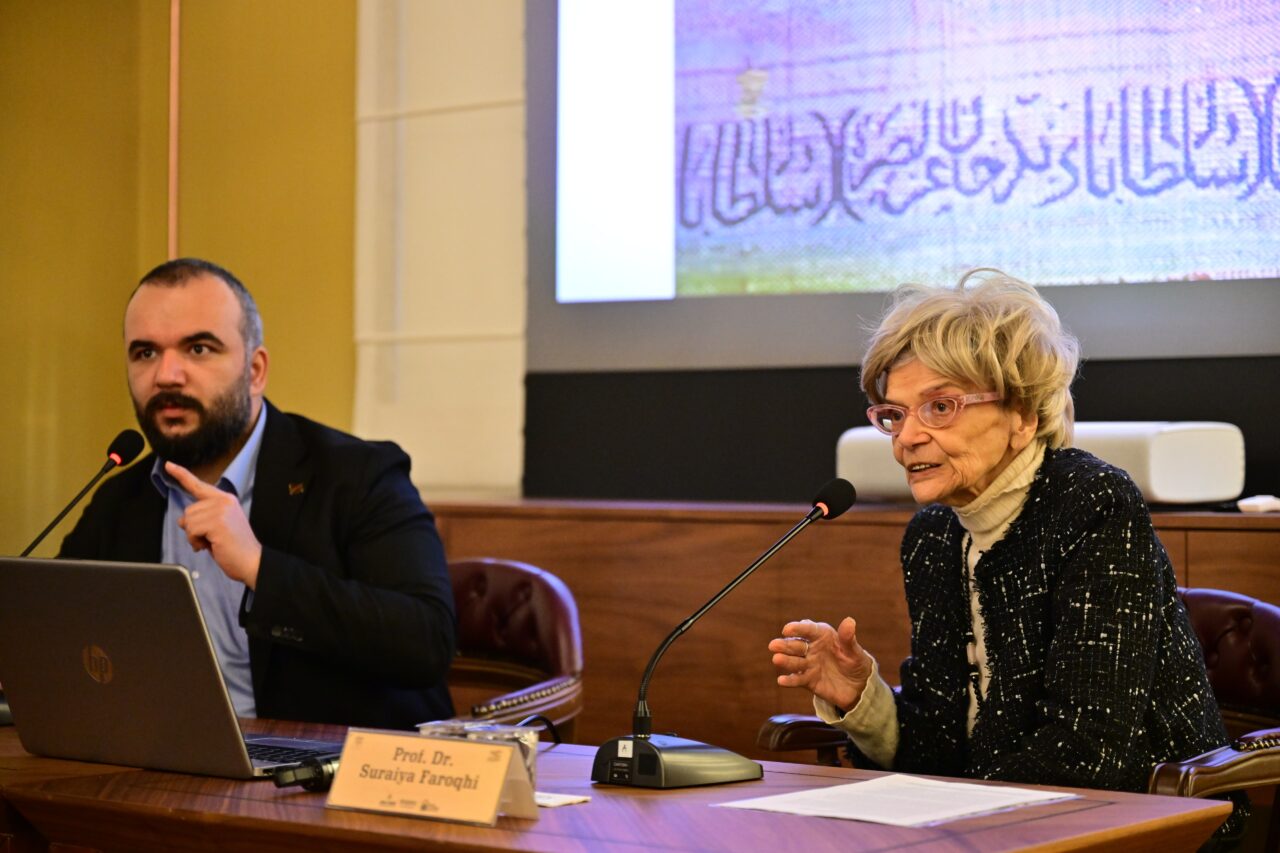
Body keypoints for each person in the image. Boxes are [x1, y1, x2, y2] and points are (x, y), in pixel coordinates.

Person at [768, 268, 1246, 840]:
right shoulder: (933, 537)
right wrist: (861, 697)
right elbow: (936, 747)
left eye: (939, 407)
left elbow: (1087, 750)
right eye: (894, 414)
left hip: (1151, 827)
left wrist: (946, 816)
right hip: (995, 827)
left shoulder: (1092, 505)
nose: (907, 438)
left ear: (1022, 414)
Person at [60, 258, 456, 730]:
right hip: (168, 758)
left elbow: (426, 641)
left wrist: (259, 568)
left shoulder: (357, 475)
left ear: (255, 370)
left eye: (198, 349)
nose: (167, 375)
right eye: (145, 353)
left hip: (330, 764)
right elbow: (56, 632)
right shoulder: (122, 499)